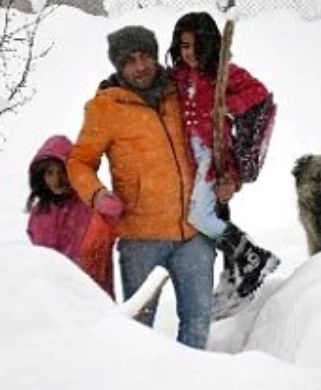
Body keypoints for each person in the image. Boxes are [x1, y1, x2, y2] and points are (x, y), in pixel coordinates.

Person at [66, 25, 216, 349]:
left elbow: (211, 136)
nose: (140, 66)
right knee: (138, 329)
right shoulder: (105, 108)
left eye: (145, 56)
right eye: (129, 60)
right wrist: (97, 194)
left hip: (194, 232)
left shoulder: (181, 92)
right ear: (118, 67)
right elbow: (79, 163)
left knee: (199, 318)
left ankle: (192, 385)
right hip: (140, 238)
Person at [167, 12, 280, 317]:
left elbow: (259, 94)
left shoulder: (224, 74)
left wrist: (226, 107)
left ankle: (251, 256)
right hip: (186, 159)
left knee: (200, 216)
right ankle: (236, 272)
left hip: (210, 157)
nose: (187, 52)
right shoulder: (177, 76)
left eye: (192, 45)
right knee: (204, 219)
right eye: (182, 45)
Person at [26, 134, 117, 298]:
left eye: (63, 172)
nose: (57, 179)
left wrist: (96, 193)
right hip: (54, 303)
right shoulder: (39, 214)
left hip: (94, 300)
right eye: (50, 173)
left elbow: (116, 213)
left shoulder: (92, 205)